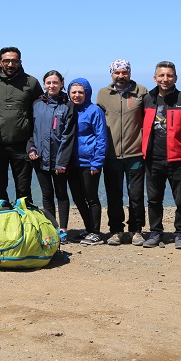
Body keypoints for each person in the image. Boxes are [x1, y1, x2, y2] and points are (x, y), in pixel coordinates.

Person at [141, 61, 181, 250]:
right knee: (153, 198)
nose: (165, 79)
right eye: (161, 75)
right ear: (155, 78)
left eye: (169, 75)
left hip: (178, 159)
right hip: (152, 158)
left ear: (175, 78)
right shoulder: (147, 99)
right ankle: (156, 231)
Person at [0, 47, 43, 205]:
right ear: (0, 62)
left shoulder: (31, 82)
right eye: (6, 60)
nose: (10, 64)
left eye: (14, 61)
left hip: (22, 144)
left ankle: (25, 224)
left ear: (20, 62)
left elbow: (41, 108)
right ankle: (1, 224)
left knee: (24, 189)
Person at [96, 59, 149, 246]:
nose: (121, 76)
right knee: (113, 194)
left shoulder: (141, 92)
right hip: (110, 155)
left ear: (130, 73)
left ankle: (136, 230)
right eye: (117, 72)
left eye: (124, 72)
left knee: (136, 195)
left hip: (135, 153)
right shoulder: (103, 94)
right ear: (111, 74)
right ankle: (116, 230)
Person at [27, 70, 76, 240]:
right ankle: (51, 228)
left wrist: (62, 162)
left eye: (55, 82)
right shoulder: (37, 104)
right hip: (40, 158)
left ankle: (62, 229)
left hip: (59, 160)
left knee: (61, 194)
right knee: (46, 194)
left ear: (62, 84)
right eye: (48, 82)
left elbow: (68, 136)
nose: (52, 86)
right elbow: (32, 131)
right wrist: (31, 149)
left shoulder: (68, 105)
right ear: (44, 84)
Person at [67, 78, 108, 246]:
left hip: (89, 162)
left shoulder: (94, 111)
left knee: (91, 198)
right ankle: (88, 228)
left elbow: (101, 137)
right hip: (71, 162)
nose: (77, 95)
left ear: (87, 93)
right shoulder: (69, 110)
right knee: (78, 198)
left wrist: (97, 162)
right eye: (74, 92)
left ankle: (96, 231)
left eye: (80, 92)